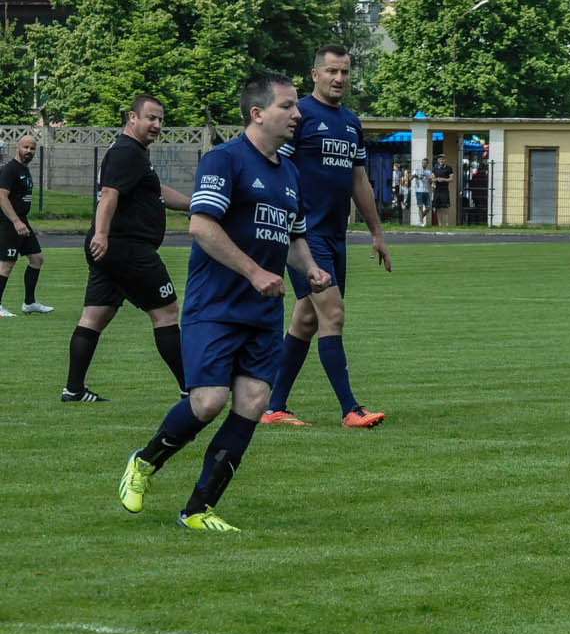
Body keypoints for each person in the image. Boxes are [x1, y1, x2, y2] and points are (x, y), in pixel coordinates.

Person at [117, 73, 332, 531]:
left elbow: (293, 237)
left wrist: (310, 269)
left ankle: (198, 509)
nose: (297, 114)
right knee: (208, 401)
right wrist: (254, 272)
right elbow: (201, 226)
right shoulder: (224, 159)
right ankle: (145, 461)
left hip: (263, 314)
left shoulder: (289, 172)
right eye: (287, 106)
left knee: (253, 402)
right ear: (257, 114)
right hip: (215, 307)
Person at [261, 44, 390, 429]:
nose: (339, 78)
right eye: (332, 71)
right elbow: (273, 164)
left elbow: (358, 180)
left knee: (306, 320)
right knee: (332, 313)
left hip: (335, 236)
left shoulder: (351, 122)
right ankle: (350, 409)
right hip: (304, 235)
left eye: (345, 72)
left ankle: (273, 407)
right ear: (315, 75)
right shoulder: (297, 115)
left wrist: (377, 232)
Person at [63, 94, 192, 403]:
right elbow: (109, 194)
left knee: (95, 315)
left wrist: (195, 204)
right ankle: (190, 387)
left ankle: (74, 390)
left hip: (112, 250)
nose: (157, 125)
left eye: (160, 119)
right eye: (151, 118)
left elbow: (156, 191)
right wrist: (102, 233)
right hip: (128, 249)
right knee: (167, 312)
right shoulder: (127, 151)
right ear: (132, 117)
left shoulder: (133, 153)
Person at [0, 134, 50, 318]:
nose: (29, 151)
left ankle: (29, 303)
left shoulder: (24, 169)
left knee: (37, 259)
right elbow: (2, 197)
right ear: (18, 147)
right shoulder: (10, 169)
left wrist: (21, 221)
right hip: (10, 222)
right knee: (7, 264)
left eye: (32, 148)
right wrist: (15, 221)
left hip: (22, 221)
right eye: (25, 147)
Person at [431, 152, 454, 226]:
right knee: (438, 207)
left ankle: (446, 224)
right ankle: (440, 224)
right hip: (437, 190)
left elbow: (451, 179)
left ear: (445, 160)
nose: (441, 160)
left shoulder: (449, 168)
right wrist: (436, 179)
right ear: (438, 160)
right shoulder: (435, 169)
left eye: (443, 159)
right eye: (440, 159)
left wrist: (443, 179)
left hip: (445, 190)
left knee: (445, 207)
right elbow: (432, 179)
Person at [411, 157, 433, 225]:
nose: (423, 164)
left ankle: (420, 218)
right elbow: (410, 178)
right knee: (420, 207)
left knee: (428, 208)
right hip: (419, 191)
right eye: (422, 163)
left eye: (425, 163)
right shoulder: (417, 170)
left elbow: (431, 183)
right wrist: (414, 176)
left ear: (427, 164)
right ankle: (421, 222)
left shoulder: (429, 171)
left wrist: (428, 177)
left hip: (426, 191)